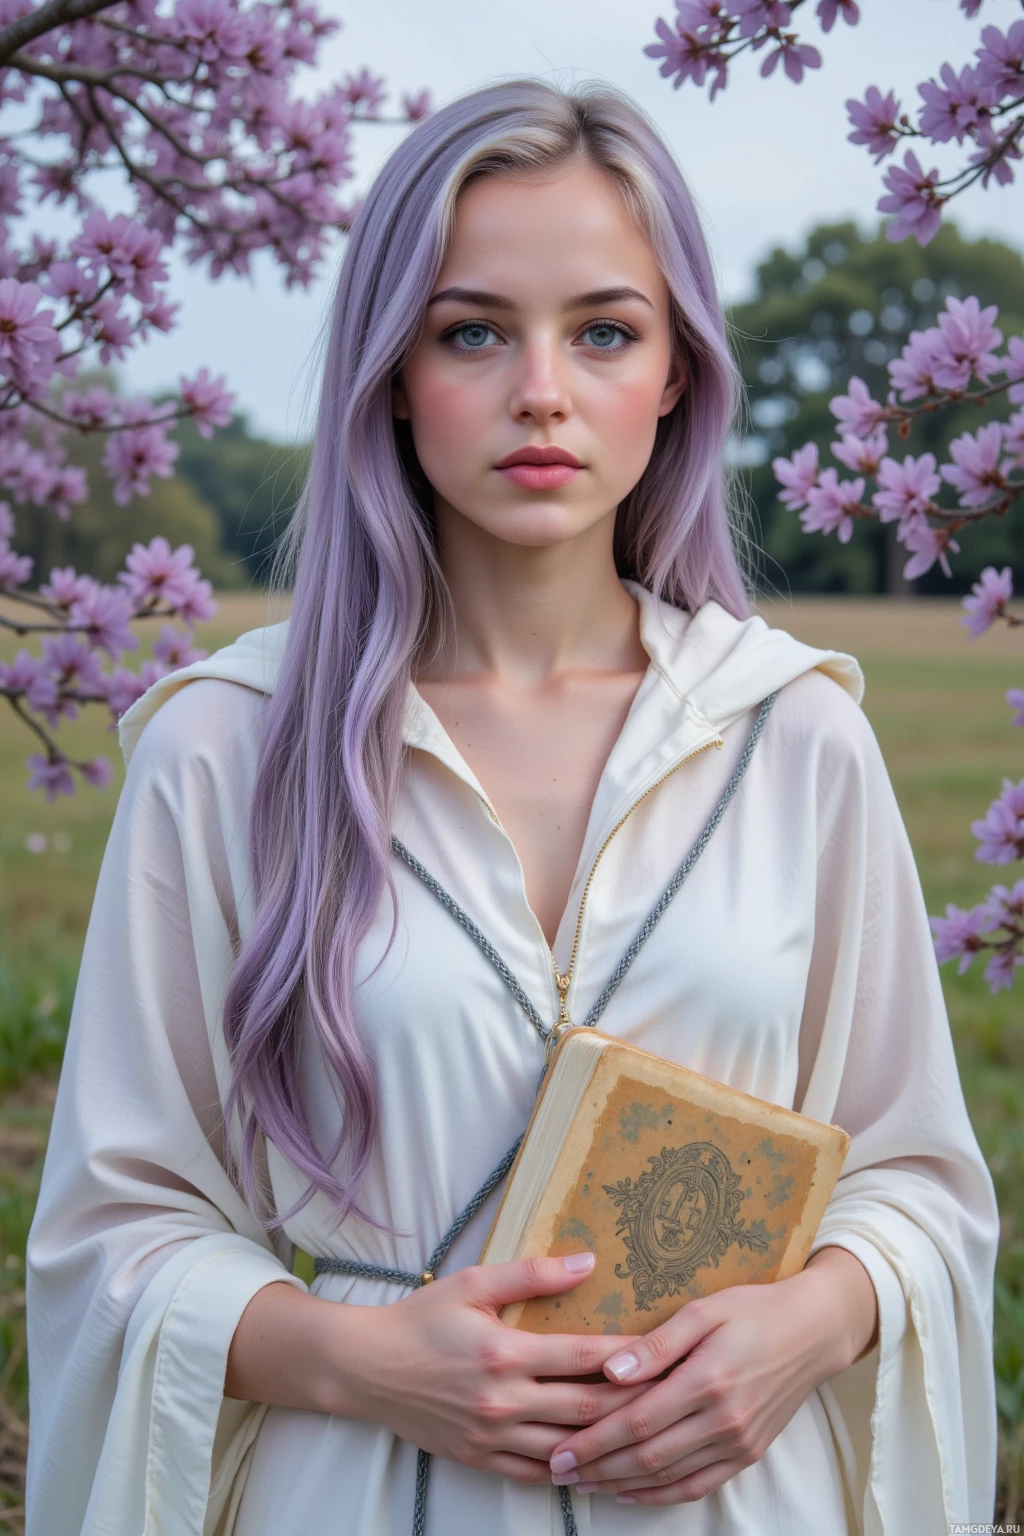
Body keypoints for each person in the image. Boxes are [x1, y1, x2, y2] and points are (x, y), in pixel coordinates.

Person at [26, 78, 998, 1536]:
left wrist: (814, 1322)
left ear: (676, 373)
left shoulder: (794, 734)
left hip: (735, 1498)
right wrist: (361, 1362)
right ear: (390, 372)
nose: (541, 389)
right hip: (360, 1493)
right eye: (472, 332)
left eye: (604, 331)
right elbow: (116, 1231)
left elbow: (916, 1176)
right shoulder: (228, 747)